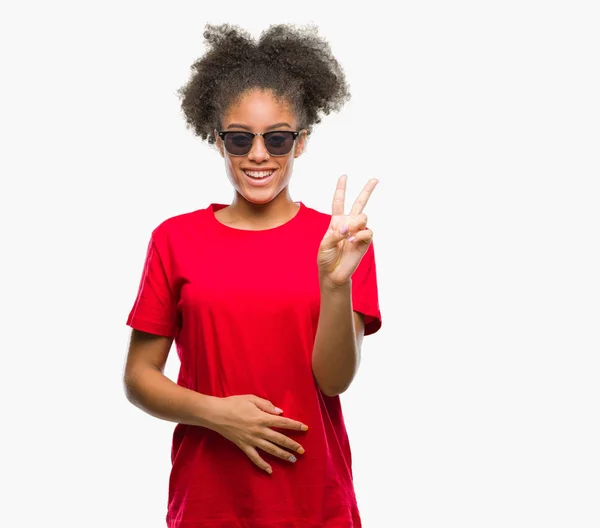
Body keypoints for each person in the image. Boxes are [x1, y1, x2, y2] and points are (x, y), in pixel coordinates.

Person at [124, 23, 382, 528]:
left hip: (315, 503)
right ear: (217, 140)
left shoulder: (340, 242)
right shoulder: (175, 240)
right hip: (208, 503)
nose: (259, 155)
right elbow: (138, 378)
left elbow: (335, 380)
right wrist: (219, 415)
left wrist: (334, 284)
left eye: (278, 138)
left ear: (301, 142)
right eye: (240, 139)